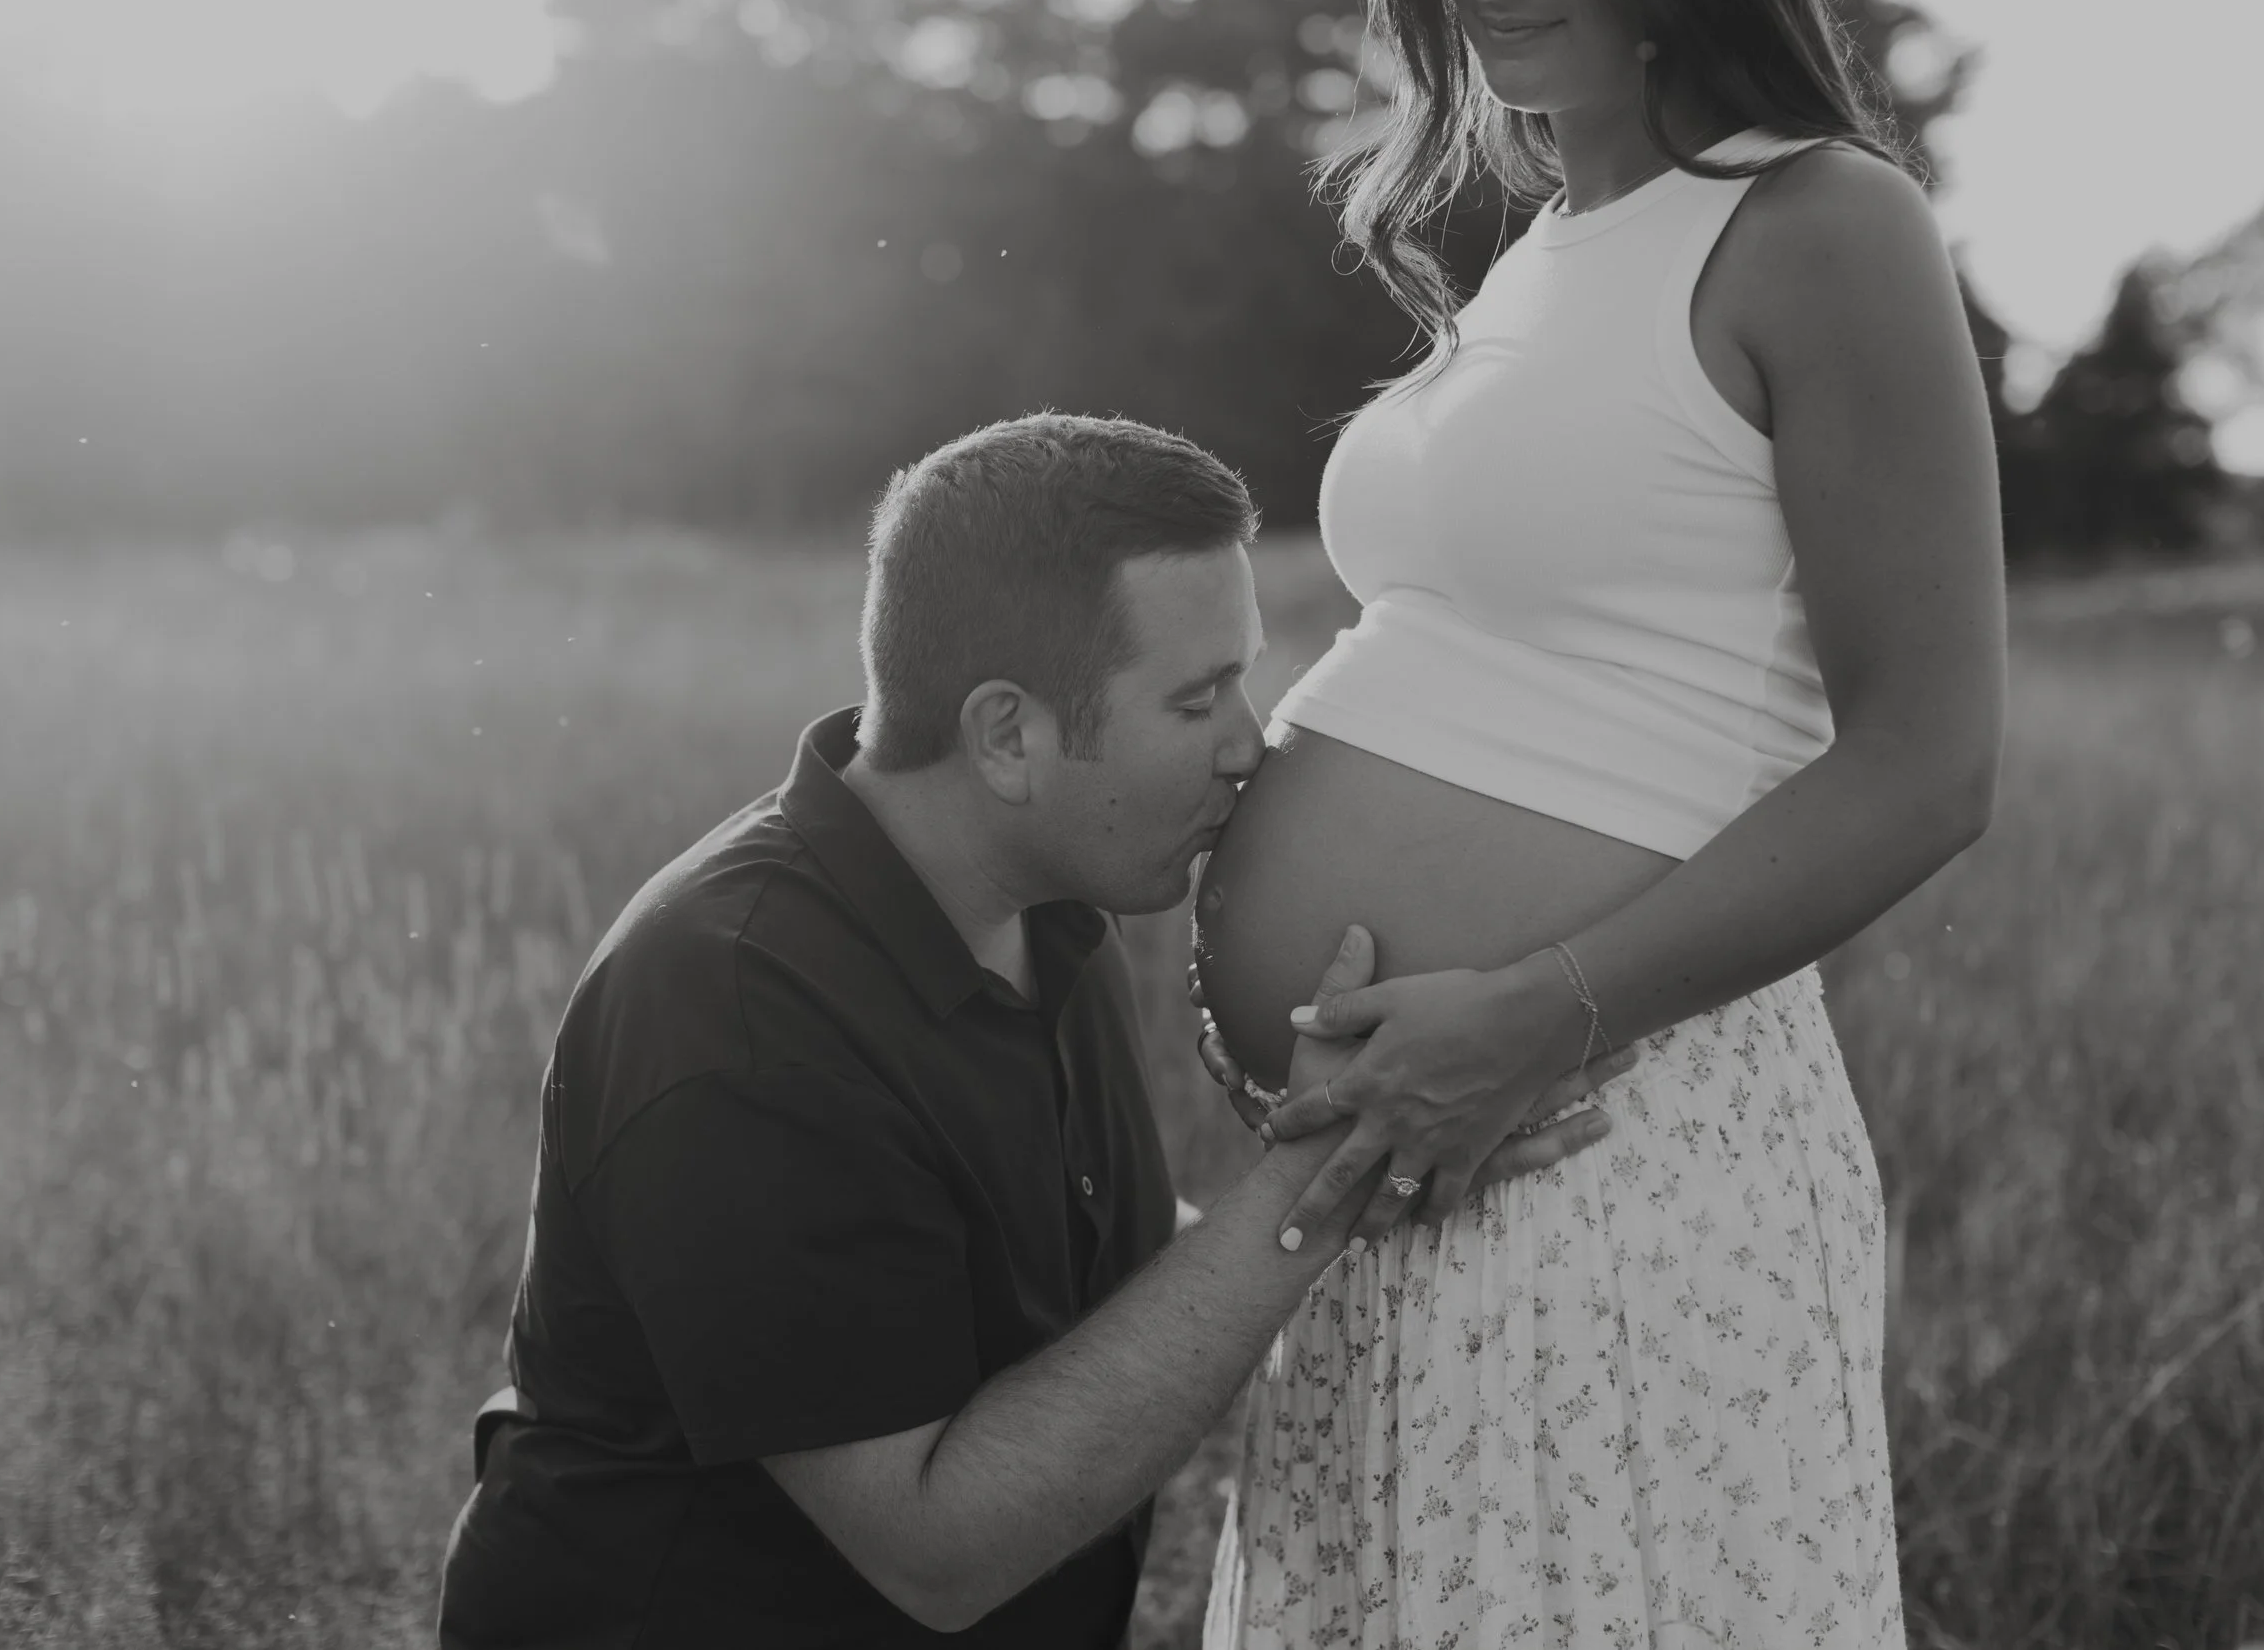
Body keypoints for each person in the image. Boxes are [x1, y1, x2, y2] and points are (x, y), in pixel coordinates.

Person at [433, 413, 1626, 1649]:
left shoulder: (1038, 915)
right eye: (1197, 695)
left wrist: (1380, 1170)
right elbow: (940, 1548)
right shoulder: (738, 1017)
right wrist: (1313, 1186)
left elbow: (1055, 1275)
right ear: (1007, 735)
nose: (1247, 743)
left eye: (1244, 677)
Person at [1186, 0, 2006, 1643]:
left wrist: (1534, 1015)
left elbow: (1931, 758)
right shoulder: (1548, 247)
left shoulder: (1818, 222)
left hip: (1609, 1124)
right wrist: (1280, 1017)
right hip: (1404, 1150)